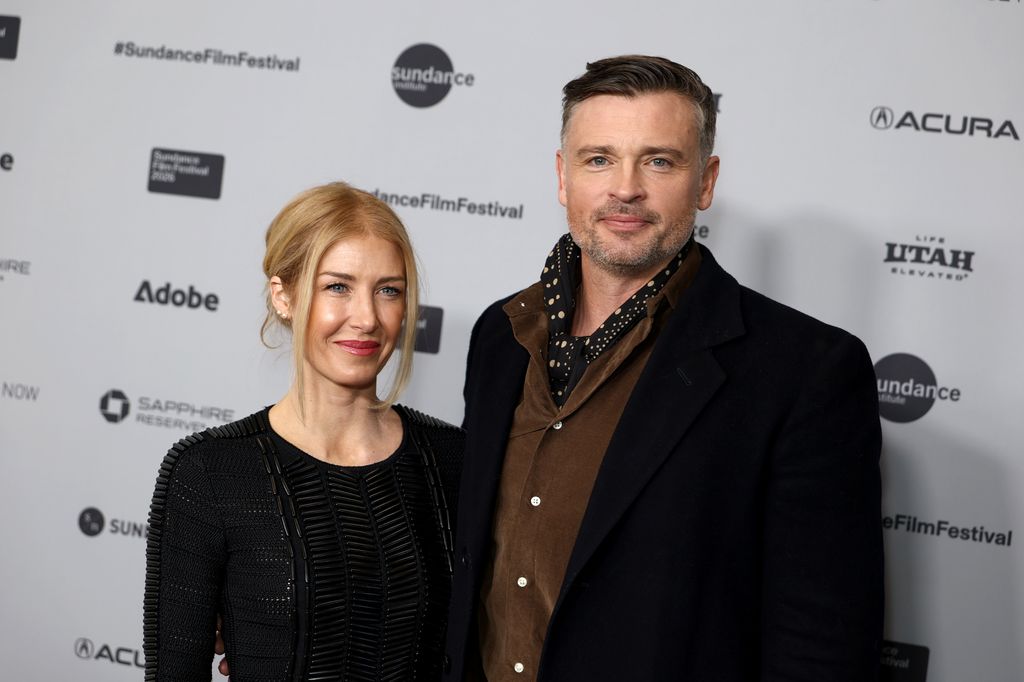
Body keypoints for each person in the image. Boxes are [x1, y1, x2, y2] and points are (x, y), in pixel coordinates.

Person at [443, 56, 883, 681]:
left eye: (658, 161)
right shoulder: (501, 334)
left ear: (705, 182)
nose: (626, 188)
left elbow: (821, 648)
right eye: (599, 159)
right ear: (563, 176)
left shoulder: (805, 372)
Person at [143, 182, 463, 681]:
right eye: (337, 287)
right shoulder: (211, 473)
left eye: (388, 290)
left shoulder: (452, 459)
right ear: (284, 296)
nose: (367, 318)